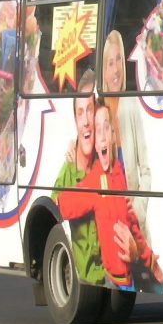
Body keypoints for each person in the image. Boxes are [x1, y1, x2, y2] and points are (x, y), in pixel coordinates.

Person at [57, 101, 163, 292]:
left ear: (114, 137)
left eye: (107, 128)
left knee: (159, 289)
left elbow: (133, 226)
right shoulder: (94, 182)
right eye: (98, 131)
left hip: (129, 279)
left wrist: (150, 261)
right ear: (96, 144)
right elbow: (64, 204)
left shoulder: (119, 174)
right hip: (112, 281)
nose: (104, 136)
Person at [52, 69, 103, 285]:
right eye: (80, 113)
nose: (85, 122)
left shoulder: (109, 167)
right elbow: (56, 208)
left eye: (90, 111)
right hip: (85, 278)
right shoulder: (68, 170)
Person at [102, 29, 151, 231]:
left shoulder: (131, 106)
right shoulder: (97, 111)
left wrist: (138, 212)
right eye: (110, 63)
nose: (116, 70)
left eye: (119, 61)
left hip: (134, 229)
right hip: (108, 228)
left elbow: (145, 171)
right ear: (103, 70)